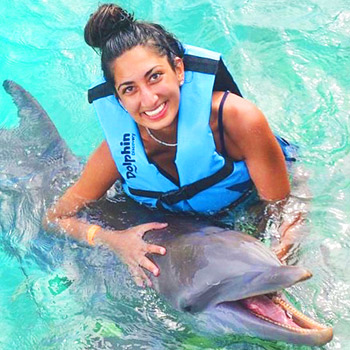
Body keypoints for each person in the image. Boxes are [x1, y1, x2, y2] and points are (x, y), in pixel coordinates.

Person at [44, 3, 298, 287]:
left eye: (155, 77)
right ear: (118, 99)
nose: (149, 99)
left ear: (178, 69)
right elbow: (55, 218)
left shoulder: (236, 120)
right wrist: (113, 240)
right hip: (186, 234)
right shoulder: (117, 152)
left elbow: (283, 209)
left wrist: (272, 267)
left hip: (250, 205)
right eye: (130, 89)